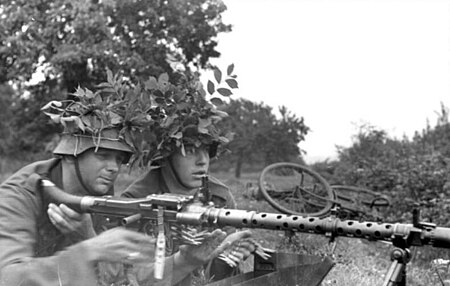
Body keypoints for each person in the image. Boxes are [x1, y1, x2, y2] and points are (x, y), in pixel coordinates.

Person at [0, 84, 251, 286]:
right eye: (102, 155)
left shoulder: (102, 196)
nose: (113, 167)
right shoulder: (20, 195)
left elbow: (124, 279)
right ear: (70, 153)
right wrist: (88, 250)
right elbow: (7, 278)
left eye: (119, 159)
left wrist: (185, 261)